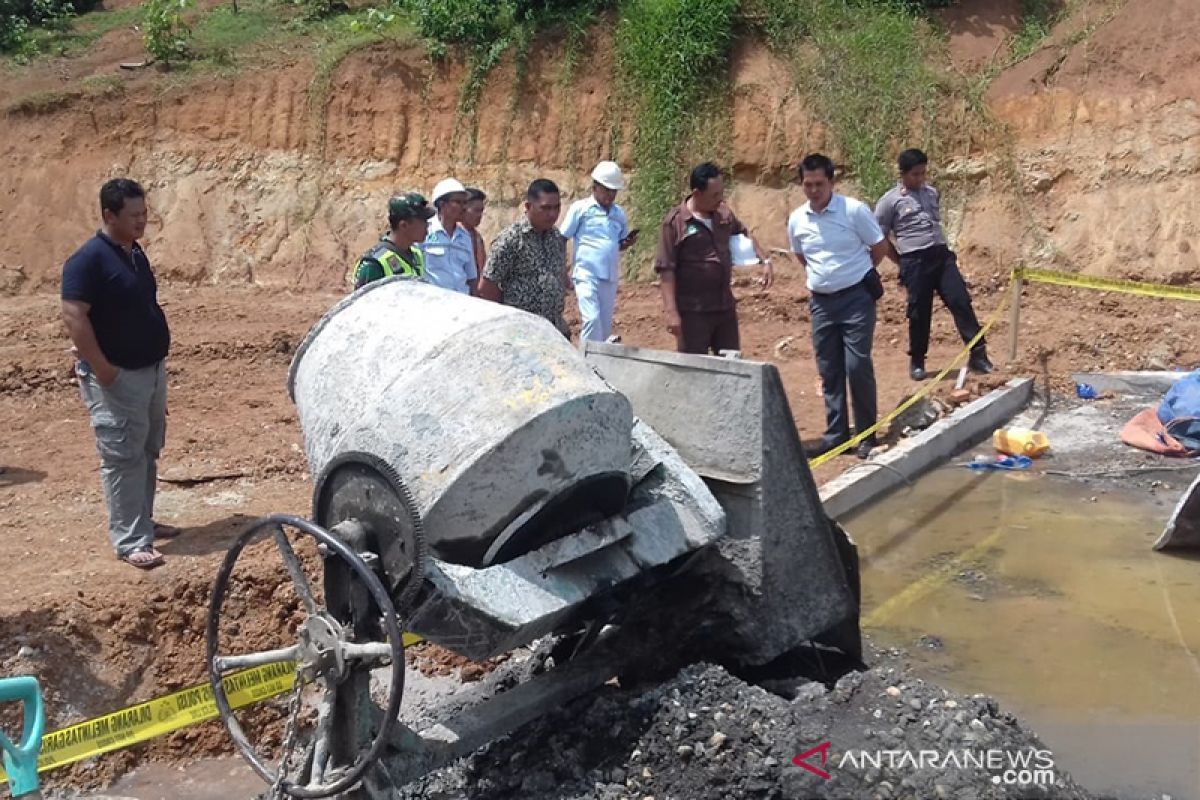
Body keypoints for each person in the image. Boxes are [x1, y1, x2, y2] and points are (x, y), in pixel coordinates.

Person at [61, 178, 175, 569]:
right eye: (134, 215)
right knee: (122, 455)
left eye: (145, 213)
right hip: (119, 376)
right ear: (110, 215)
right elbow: (75, 315)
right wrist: (102, 369)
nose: (143, 221)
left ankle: (142, 520)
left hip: (150, 370)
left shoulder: (133, 252)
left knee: (146, 449)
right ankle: (130, 540)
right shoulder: (87, 261)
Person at [787, 154, 889, 460]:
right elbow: (801, 255)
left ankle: (867, 434)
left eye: (820, 184)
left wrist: (853, 274)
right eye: (808, 184)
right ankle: (836, 435)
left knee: (857, 366)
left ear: (832, 182)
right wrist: (825, 279)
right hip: (821, 303)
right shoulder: (797, 219)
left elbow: (879, 247)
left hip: (856, 298)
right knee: (829, 369)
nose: (814, 190)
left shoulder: (853, 211)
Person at [875, 148, 993, 381]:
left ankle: (979, 355)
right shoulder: (889, 201)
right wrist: (901, 261)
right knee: (919, 312)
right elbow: (879, 237)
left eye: (923, 173)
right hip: (914, 260)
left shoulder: (931, 193)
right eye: (915, 174)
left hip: (940, 256)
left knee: (960, 301)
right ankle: (917, 360)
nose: (920, 179)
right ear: (903, 174)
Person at [655, 162, 773, 355]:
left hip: (724, 308)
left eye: (721, 193)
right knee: (695, 370)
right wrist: (671, 313)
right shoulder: (675, 223)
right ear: (697, 193)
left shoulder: (723, 214)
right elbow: (666, 269)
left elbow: (744, 233)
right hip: (693, 312)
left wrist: (765, 260)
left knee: (730, 365)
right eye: (715, 195)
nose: (720, 199)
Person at [478, 179, 570, 336]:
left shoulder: (556, 237)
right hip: (521, 332)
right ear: (528, 207)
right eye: (546, 208)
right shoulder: (511, 239)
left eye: (556, 208)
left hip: (554, 330)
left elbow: (559, 275)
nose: (552, 214)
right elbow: (487, 287)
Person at [559, 161, 637, 343]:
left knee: (603, 326)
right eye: (607, 190)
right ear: (595, 187)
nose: (611, 195)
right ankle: (584, 361)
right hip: (586, 274)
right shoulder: (581, 209)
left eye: (614, 191)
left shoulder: (618, 213)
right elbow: (562, 238)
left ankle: (597, 363)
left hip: (608, 277)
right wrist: (562, 269)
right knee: (592, 319)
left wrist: (627, 243)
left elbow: (618, 243)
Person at [350, 192, 435, 289]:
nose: (427, 225)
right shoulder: (374, 263)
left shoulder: (416, 254)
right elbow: (364, 302)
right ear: (404, 225)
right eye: (423, 221)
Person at [422, 178, 477, 294]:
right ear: (442, 204)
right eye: (458, 202)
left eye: (465, 203)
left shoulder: (465, 237)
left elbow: (472, 279)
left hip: (462, 303)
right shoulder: (424, 232)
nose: (463, 207)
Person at [463, 187, 488, 281]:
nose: (479, 215)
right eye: (476, 210)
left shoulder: (477, 237)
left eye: (481, 211)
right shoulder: (454, 237)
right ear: (463, 209)